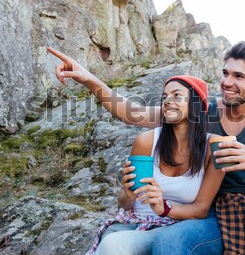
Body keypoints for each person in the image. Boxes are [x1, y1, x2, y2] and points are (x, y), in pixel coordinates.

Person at [47, 42, 245, 254]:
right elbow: (132, 112)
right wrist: (89, 79)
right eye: (225, 73)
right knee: (170, 243)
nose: (227, 82)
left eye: (239, 76)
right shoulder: (199, 112)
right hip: (209, 217)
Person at [84, 75, 225, 255]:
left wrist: (164, 208)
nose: (167, 101)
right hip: (132, 223)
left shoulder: (213, 148)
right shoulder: (147, 141)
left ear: (196, 104)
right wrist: (127, 194)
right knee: (111, 244)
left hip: (174, 226)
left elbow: (201, 210)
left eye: (177, 95)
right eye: (165, 96)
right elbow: (125, 203)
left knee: (114, 245)